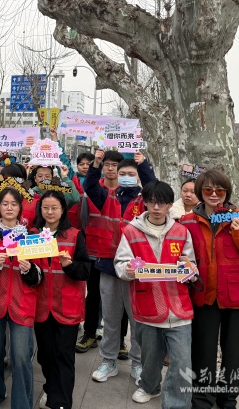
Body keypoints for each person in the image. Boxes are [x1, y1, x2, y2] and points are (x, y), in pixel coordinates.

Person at [181, 169, 239, 409]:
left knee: (235, 354)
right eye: (208, 189)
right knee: (202, 351)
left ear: (227, 192)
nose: (214, 194)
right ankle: (202, 399)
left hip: (238, 298)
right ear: (200, 191)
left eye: (220, 190)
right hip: (204, 295)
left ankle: (228, 398)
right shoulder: (188, 221)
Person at [115, 181, 197, 406]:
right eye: (151, 202)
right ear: (145, 203)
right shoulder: (131, 231)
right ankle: (150, 386)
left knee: (181, 361)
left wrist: (190, 271)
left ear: (170, 204)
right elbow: (120, 263)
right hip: (147, 306)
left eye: (161, 203)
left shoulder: (181, 231)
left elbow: (192, 265)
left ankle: (177, 403)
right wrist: (127, 270)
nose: (156, 207)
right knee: (150, 357)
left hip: (179, 309)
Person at [85, 150, 156, 385]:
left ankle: (138, 364)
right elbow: (90, 187)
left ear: (138, 177)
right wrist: (96, 164)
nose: (125, 177)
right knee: (111, 318)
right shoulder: (107, 196)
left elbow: (153, 187)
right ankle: (108, 361)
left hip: (137, 267)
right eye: (122, 173)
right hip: (109, 264)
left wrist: (143, 165)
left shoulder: (145, 201)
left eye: (131, 174)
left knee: (138, 320)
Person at [0, 187, 43, 409]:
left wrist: (29, 269)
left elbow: (39, 275)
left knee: (21, 355)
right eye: (4, 204)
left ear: (20, 208)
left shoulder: (31, 236)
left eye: (13, 204)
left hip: (22, 302)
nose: (9, 208)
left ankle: (22, 403)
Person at [32, 190, 89, 409]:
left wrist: (69, 266)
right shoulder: (32, 235)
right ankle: (50, 389)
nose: (50, 212)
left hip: (67, 307)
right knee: (45, 355)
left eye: (54, 207)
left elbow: (85, 271)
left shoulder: (75, 235)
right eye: (45, 208)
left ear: (63, 209)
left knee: (64, 356)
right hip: (41, 306)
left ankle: (61, 402)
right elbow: (29, 272)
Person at [75, 150, 125, 354]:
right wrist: (95, 163)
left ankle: (120, 340)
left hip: (120, 252)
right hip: (94, 250)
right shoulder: (95, 190)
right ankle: (89, 333)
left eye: (115, 165)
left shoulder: (129, 192)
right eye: (107, 164)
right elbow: (84, 217)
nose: (111, 168)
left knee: (121, 298)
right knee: (94, 294)